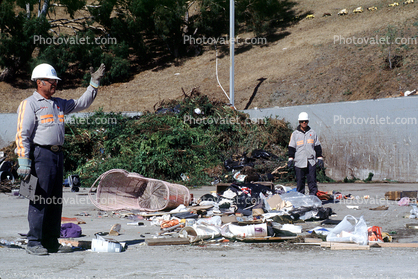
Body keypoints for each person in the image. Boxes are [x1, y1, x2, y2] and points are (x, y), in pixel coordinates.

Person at [16, 63, 105, 255]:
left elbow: (82, 103)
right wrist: (23, 162)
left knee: (55, 200)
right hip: (40, 156)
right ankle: (34, 242)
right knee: (39, 199)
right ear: (39, 82)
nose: (55, 84)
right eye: (51, 81)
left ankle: (50, 241)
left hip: (57, 155)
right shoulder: (29, 104)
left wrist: (94, 84)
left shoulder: (58, 104)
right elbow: (22, 134)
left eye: (55, 81)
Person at [287, 112, 324, 195]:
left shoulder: (312, 133)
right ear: (299, 122)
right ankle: (301, 200)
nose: (304, 123)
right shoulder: (295, 134)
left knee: (312, 182)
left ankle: (313, 199)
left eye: (306, 121)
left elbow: (317, 146)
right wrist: (290, 159)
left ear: (308, 122)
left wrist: (320, 158)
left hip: (311, 162)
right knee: (300, 182)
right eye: (302, 121)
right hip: (299, 162)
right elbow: (291, 148)